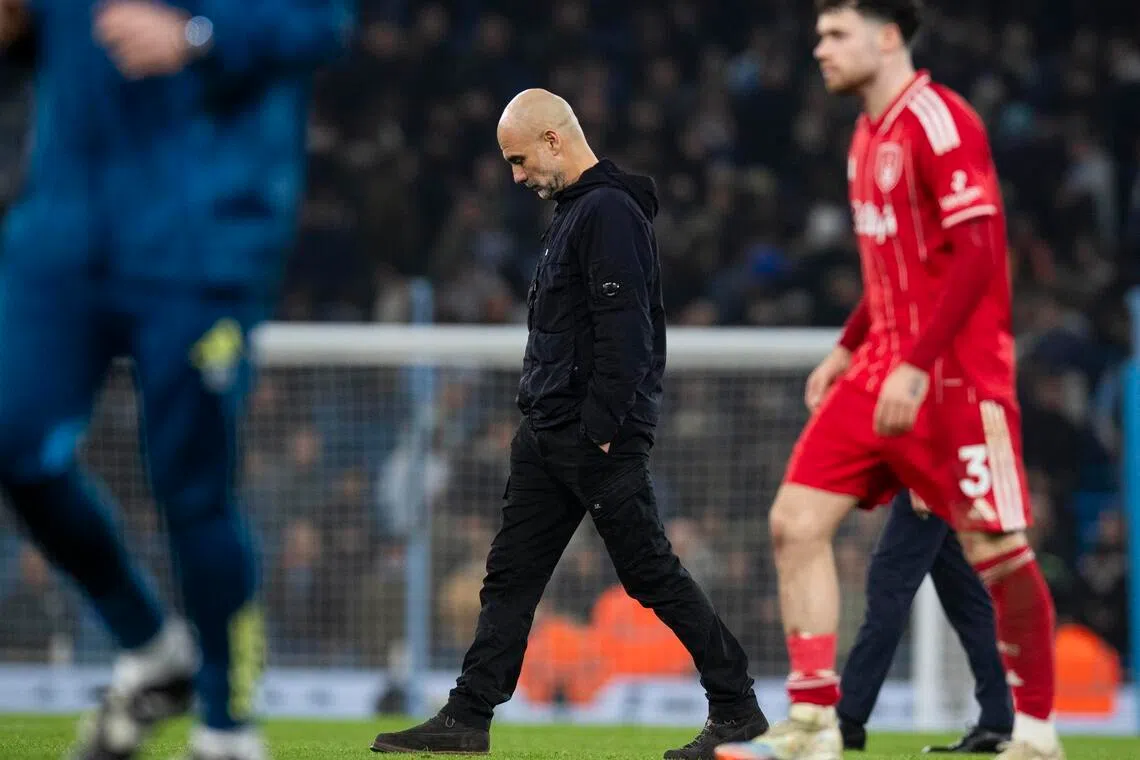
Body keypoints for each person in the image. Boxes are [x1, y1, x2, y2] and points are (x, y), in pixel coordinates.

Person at [371, 88, 769, 760]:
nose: (516, 176)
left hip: (589, 435)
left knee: (649, 573)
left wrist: (601, 427)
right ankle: (468, 716)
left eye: (520, 159)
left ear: (554, 140)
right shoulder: (581, 212)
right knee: (510, 576)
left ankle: (736, 705)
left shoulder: (607, 211)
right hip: (550, 430)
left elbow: (627, 333)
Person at [0, 2, 350, 759]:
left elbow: (322, 22)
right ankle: (152, 649)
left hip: (202, 235)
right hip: (62, 231)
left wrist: (199, 35)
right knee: (11, 439)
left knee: (191, 485)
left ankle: (226, 728)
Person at [716, 2, 1062, 759]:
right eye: (818, 36)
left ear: (889, 36)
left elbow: (978, 253)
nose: (821, 49)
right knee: (794, 522)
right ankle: (815, 723)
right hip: (882, 371)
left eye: (836, 34)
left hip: (956, 377)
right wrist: (848, 347)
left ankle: (1036, 733)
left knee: (995, 550)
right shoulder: (866, 135)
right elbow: (896, 268)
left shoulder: (941, 121)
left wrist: (915, 363)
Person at [838, 492, 1013, 754]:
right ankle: (997, 720)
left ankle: (847, 719)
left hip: (925, 484)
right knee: (969, 604)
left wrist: (919, 484)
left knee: (888, 590)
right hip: (944, 489)